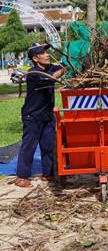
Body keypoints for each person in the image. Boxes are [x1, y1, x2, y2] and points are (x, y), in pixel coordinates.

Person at [15, 43, 67, 188]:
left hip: (47, 115)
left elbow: (63, 67)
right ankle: (22, 176)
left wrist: (71, 62)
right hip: (32, 116)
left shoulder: (49, 68)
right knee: (29, 146)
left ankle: (48, 173)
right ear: (35, 58)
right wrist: (63, 69)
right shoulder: (33, 74)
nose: (47, 55)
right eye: (43, 53)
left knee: (49, 145)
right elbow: (51, 78)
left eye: (46, 52)